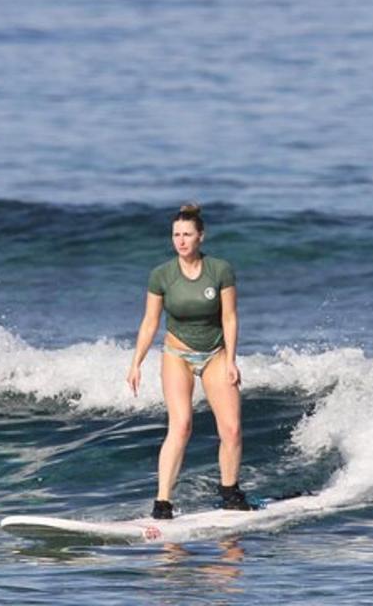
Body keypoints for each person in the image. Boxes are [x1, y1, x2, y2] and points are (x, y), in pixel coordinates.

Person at [127, 202, 251, 519]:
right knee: (180, 426)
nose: (180, 240)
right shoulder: (162, 275)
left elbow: (230, 318)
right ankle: (163, 502)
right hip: (176, 354)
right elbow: (150, 322)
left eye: (187, 234)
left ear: (201, 237)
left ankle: (229, 492)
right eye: (176, 235)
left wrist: (233, 360)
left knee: (232, 429)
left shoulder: (220, 270)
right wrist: (136, 362)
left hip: (216, 354)